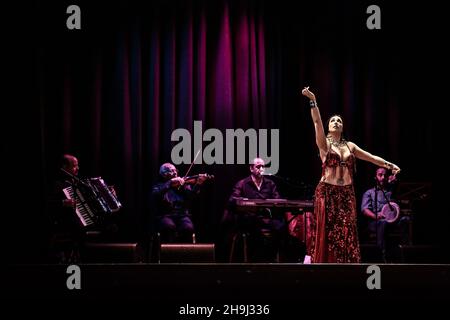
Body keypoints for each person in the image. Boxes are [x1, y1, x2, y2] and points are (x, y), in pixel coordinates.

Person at [301, 86, 401, 263]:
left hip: (346, 193)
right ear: (329, 126)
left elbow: (371, 158)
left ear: (343, 126)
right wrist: (313, 100)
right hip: (327, 192)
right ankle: (324, 265)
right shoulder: (324, 144)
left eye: (339, 120)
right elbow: (316, 122)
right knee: (328, 230)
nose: (336, 122)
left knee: (346, 231)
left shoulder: (350, 146)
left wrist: (389, 164)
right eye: (333, 120)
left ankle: (345, 267)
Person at [227, 158, 286, 262]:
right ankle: (256, 260)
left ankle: (272, 260)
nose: (261, 169)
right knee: (253, 226)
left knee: (281, 225)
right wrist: (245, 202)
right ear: (251, 168)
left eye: (263, 166)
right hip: (249, 219)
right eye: (258, 166)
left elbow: (277, 200)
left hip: (266, 218)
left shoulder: (270, 184)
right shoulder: (242, 183)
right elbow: (233, 200)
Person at [361, 167, 410, 262]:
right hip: (376, 222)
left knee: (405, 219)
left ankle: (405, 250)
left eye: (385, 175)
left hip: (392, 222)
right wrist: (375, 216)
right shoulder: (369, 193)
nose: (383, 177)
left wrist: (395, 180)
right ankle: (381, 254)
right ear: (375, 177)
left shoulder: (391, 191)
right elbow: (364, 209)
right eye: (380, 175)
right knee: (383, 222)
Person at [151, 163, 209, 243]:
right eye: (171, 171)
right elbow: (155, 195)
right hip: (165, 215)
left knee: (188, 228)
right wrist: (170, 183)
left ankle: (184, 252)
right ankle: (167, 252)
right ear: (164, 174)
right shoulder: (159, 186)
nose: (175, 173)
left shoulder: (183, 185)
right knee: (169, 227)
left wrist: (198, 184)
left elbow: (191, 196)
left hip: (182, 215)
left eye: (175, 170)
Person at [47, 154, 84, 263]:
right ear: (64, 167)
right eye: (74, 166)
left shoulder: (76, 181)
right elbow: (47, 204)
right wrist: (63, 203)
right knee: (79, 228)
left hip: (76, 222)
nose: (77, 168)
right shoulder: (55, 183)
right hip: (61, 222)